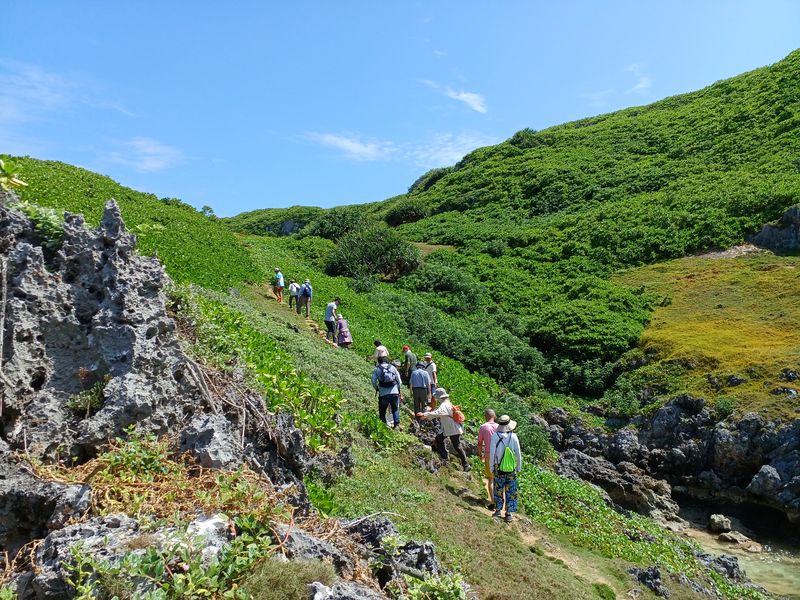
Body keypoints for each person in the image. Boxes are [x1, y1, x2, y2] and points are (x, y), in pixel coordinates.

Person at [417, 388, 470, 472]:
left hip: (451, 428)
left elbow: (437, 413)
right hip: (449, 427)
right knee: (440, 439)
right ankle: (446, 457)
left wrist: (424, 414)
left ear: (439, 397)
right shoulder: (447, 403)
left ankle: (464, 464)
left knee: (457, 445)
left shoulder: (444, 405)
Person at [489, 415, 523, 523]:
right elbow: (518, 453)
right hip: (511, 468)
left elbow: (492, 453)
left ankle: (498, 510)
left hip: (498, 467)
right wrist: (518, 466)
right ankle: (509, 513)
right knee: (511, 490)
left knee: (498, 489)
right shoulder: (514, 436)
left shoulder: (495, 435)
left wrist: (491, 466)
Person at [371, 357, 403, 429]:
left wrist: (377, 388)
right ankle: (397, 424)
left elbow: (373, 381)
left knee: (382, 410)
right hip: (394, 392)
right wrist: (397, 389)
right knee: (395, 408)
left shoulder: (376, 369)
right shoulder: (392, 367)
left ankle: (383, 425)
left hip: (383, 393)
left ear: (379, 362)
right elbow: (399, 381)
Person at [477, 409, 499, 509]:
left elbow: (480, 443)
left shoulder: (483, 427)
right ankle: (500, 502)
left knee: (491, 479)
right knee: (499, 479)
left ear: (485, 416)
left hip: (489, 455)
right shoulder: (499, 427)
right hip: (500, 455)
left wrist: (480, 454)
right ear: (494, 416)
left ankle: (493, 501)